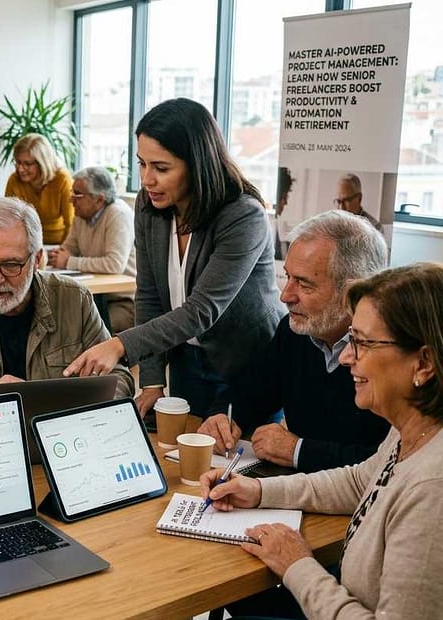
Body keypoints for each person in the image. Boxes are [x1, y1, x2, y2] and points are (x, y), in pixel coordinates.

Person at [202, 262, 443, 619]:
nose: (346, 357)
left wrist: (298, 564)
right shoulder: (414, 429)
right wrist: (257, 491)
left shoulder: (433, 489)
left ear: (423, 364)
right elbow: (359, 481)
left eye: (362, 343)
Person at [65, 98, 284, 419]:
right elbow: (150, 295)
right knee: (180, 454)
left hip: (246, 363)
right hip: (186, 360)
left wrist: (119, 345)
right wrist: (152, 380)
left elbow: (202, 310)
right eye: (142, 164)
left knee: (240, 461)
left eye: (161, 168)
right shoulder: (148, 206)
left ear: (198, 164)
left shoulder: (243, 215)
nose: (147, 179)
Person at [197, 210, 390, 473]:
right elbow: (249, 391)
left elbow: (389, 463)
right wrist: (222, 416)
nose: (286, 296)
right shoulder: (294, 332)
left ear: (354, 291)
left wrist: (299, 451)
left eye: (304, 284)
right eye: (288, 277)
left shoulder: (390, 354)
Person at [0, 197, 134, 405]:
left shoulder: (74, 299)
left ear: (37, 259)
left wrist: (57, 405)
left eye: (11, 265)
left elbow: (118, 378)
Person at [48, 166, 136, 332]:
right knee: (54, 321)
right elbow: (66, 250)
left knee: (78, 330)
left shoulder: (118, 214)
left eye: (77, 195)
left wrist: (68, 261)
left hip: (122, 301)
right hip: (91, 298)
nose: (71, 200)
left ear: (99, 199)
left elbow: (114, 265)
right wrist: (57, 256)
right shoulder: (81, 215)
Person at [4, 133, 74, 244]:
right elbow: (10, 220)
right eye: (18, 162)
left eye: (27, 164)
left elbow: (71, 223)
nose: (21, 169)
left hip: (58, 243)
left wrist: (63, 250)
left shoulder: (62, 179)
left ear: (43, 163)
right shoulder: (14, 180)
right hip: (27, 244)